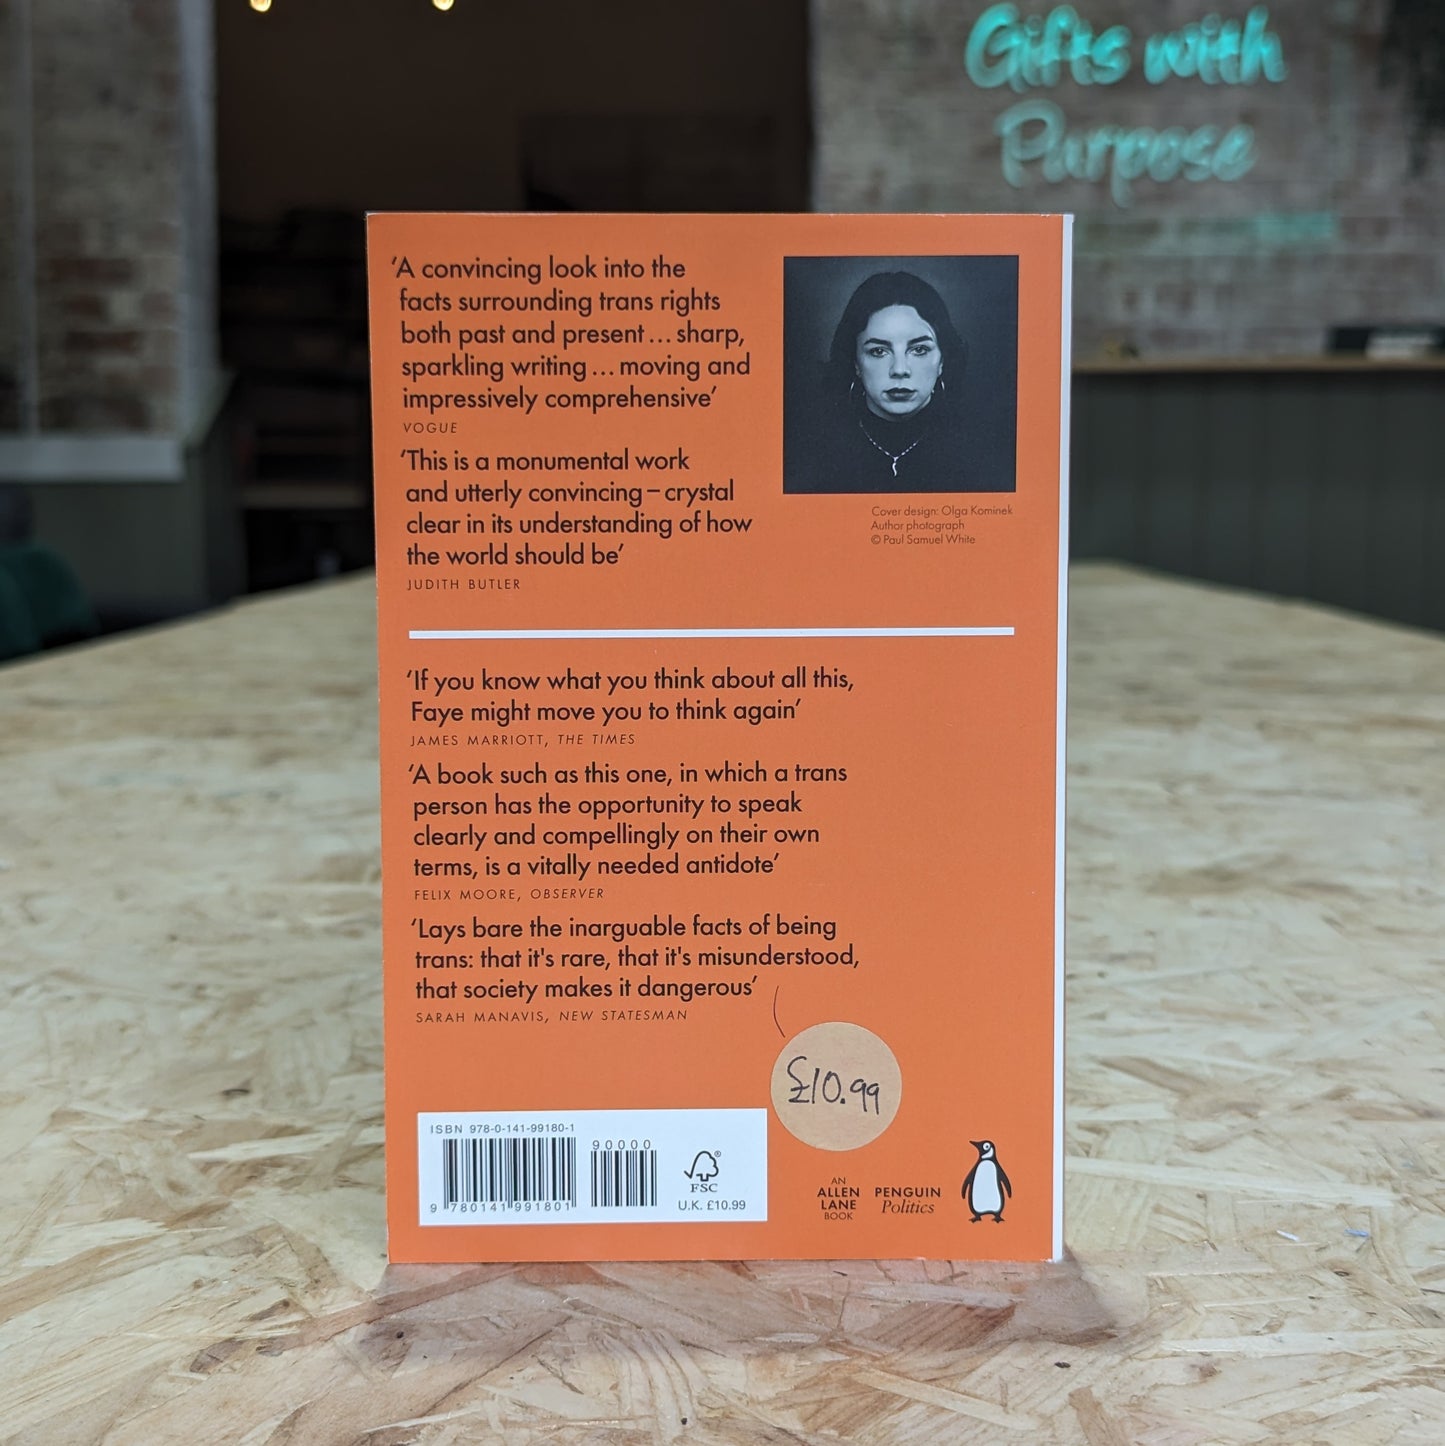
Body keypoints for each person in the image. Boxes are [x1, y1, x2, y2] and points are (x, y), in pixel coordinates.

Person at [787, 270, 1005, 494]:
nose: (900, 370)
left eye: (919, 350)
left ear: (942, 361)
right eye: (878, 351)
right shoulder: (810, 457)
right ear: (855, 362)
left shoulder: (982, 456)